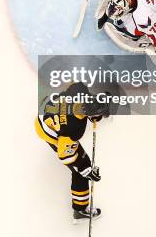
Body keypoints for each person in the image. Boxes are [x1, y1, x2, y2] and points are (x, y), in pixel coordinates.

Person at [35, 82, 109, 223]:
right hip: (45, 129)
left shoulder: (79, 89)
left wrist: (95, 112)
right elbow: (64, 154)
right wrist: (84, 169)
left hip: (47, 109)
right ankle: (79, 211)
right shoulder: (73, 130)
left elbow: (75, 92)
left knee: (82, 165)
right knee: (81, 167)